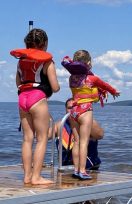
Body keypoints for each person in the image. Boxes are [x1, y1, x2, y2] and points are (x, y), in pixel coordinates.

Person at [11, 28, 60, 184]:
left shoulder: (21, 60)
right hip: (37, 98)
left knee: (27, 139)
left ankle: (27, 176)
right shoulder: (47, 61)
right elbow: (55, 87)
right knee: (42, 138)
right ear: (45, 44)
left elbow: (18, 83)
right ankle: (37, 177)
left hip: (22, 99)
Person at [62, 50, 120, 180]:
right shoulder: (91, 78)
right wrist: (114, 92)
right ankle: (82, 170)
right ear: (88, 63)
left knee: (76, 142)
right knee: (84, 142)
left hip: (73, 111)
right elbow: (105, 86)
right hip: (85, 110)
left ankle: (76, 170)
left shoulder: (71, 78)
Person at [53, 98, 103, 170]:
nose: (73, 110)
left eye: (75, 107)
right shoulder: (59, 125)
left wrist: (87, 124)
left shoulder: (90, 123)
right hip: (66, 168)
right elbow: (44, 136)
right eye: (70, 108)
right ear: (65, 110)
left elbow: (100, 135)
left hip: (90, 168)